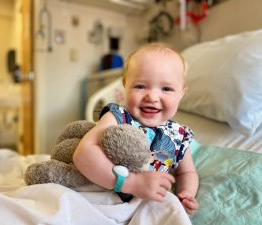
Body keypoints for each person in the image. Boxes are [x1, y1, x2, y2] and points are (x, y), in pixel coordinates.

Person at [73, 43, 199, 218]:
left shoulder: (180, 136)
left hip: (148, 206)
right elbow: (83, 154)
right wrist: (131, 183)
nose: (152, 97)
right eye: (140, 86)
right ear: (126, 85)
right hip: (108, 194)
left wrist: (186, 194)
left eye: (166, 89)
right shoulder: (118, 117)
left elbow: (187, 172)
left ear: (181, 94)